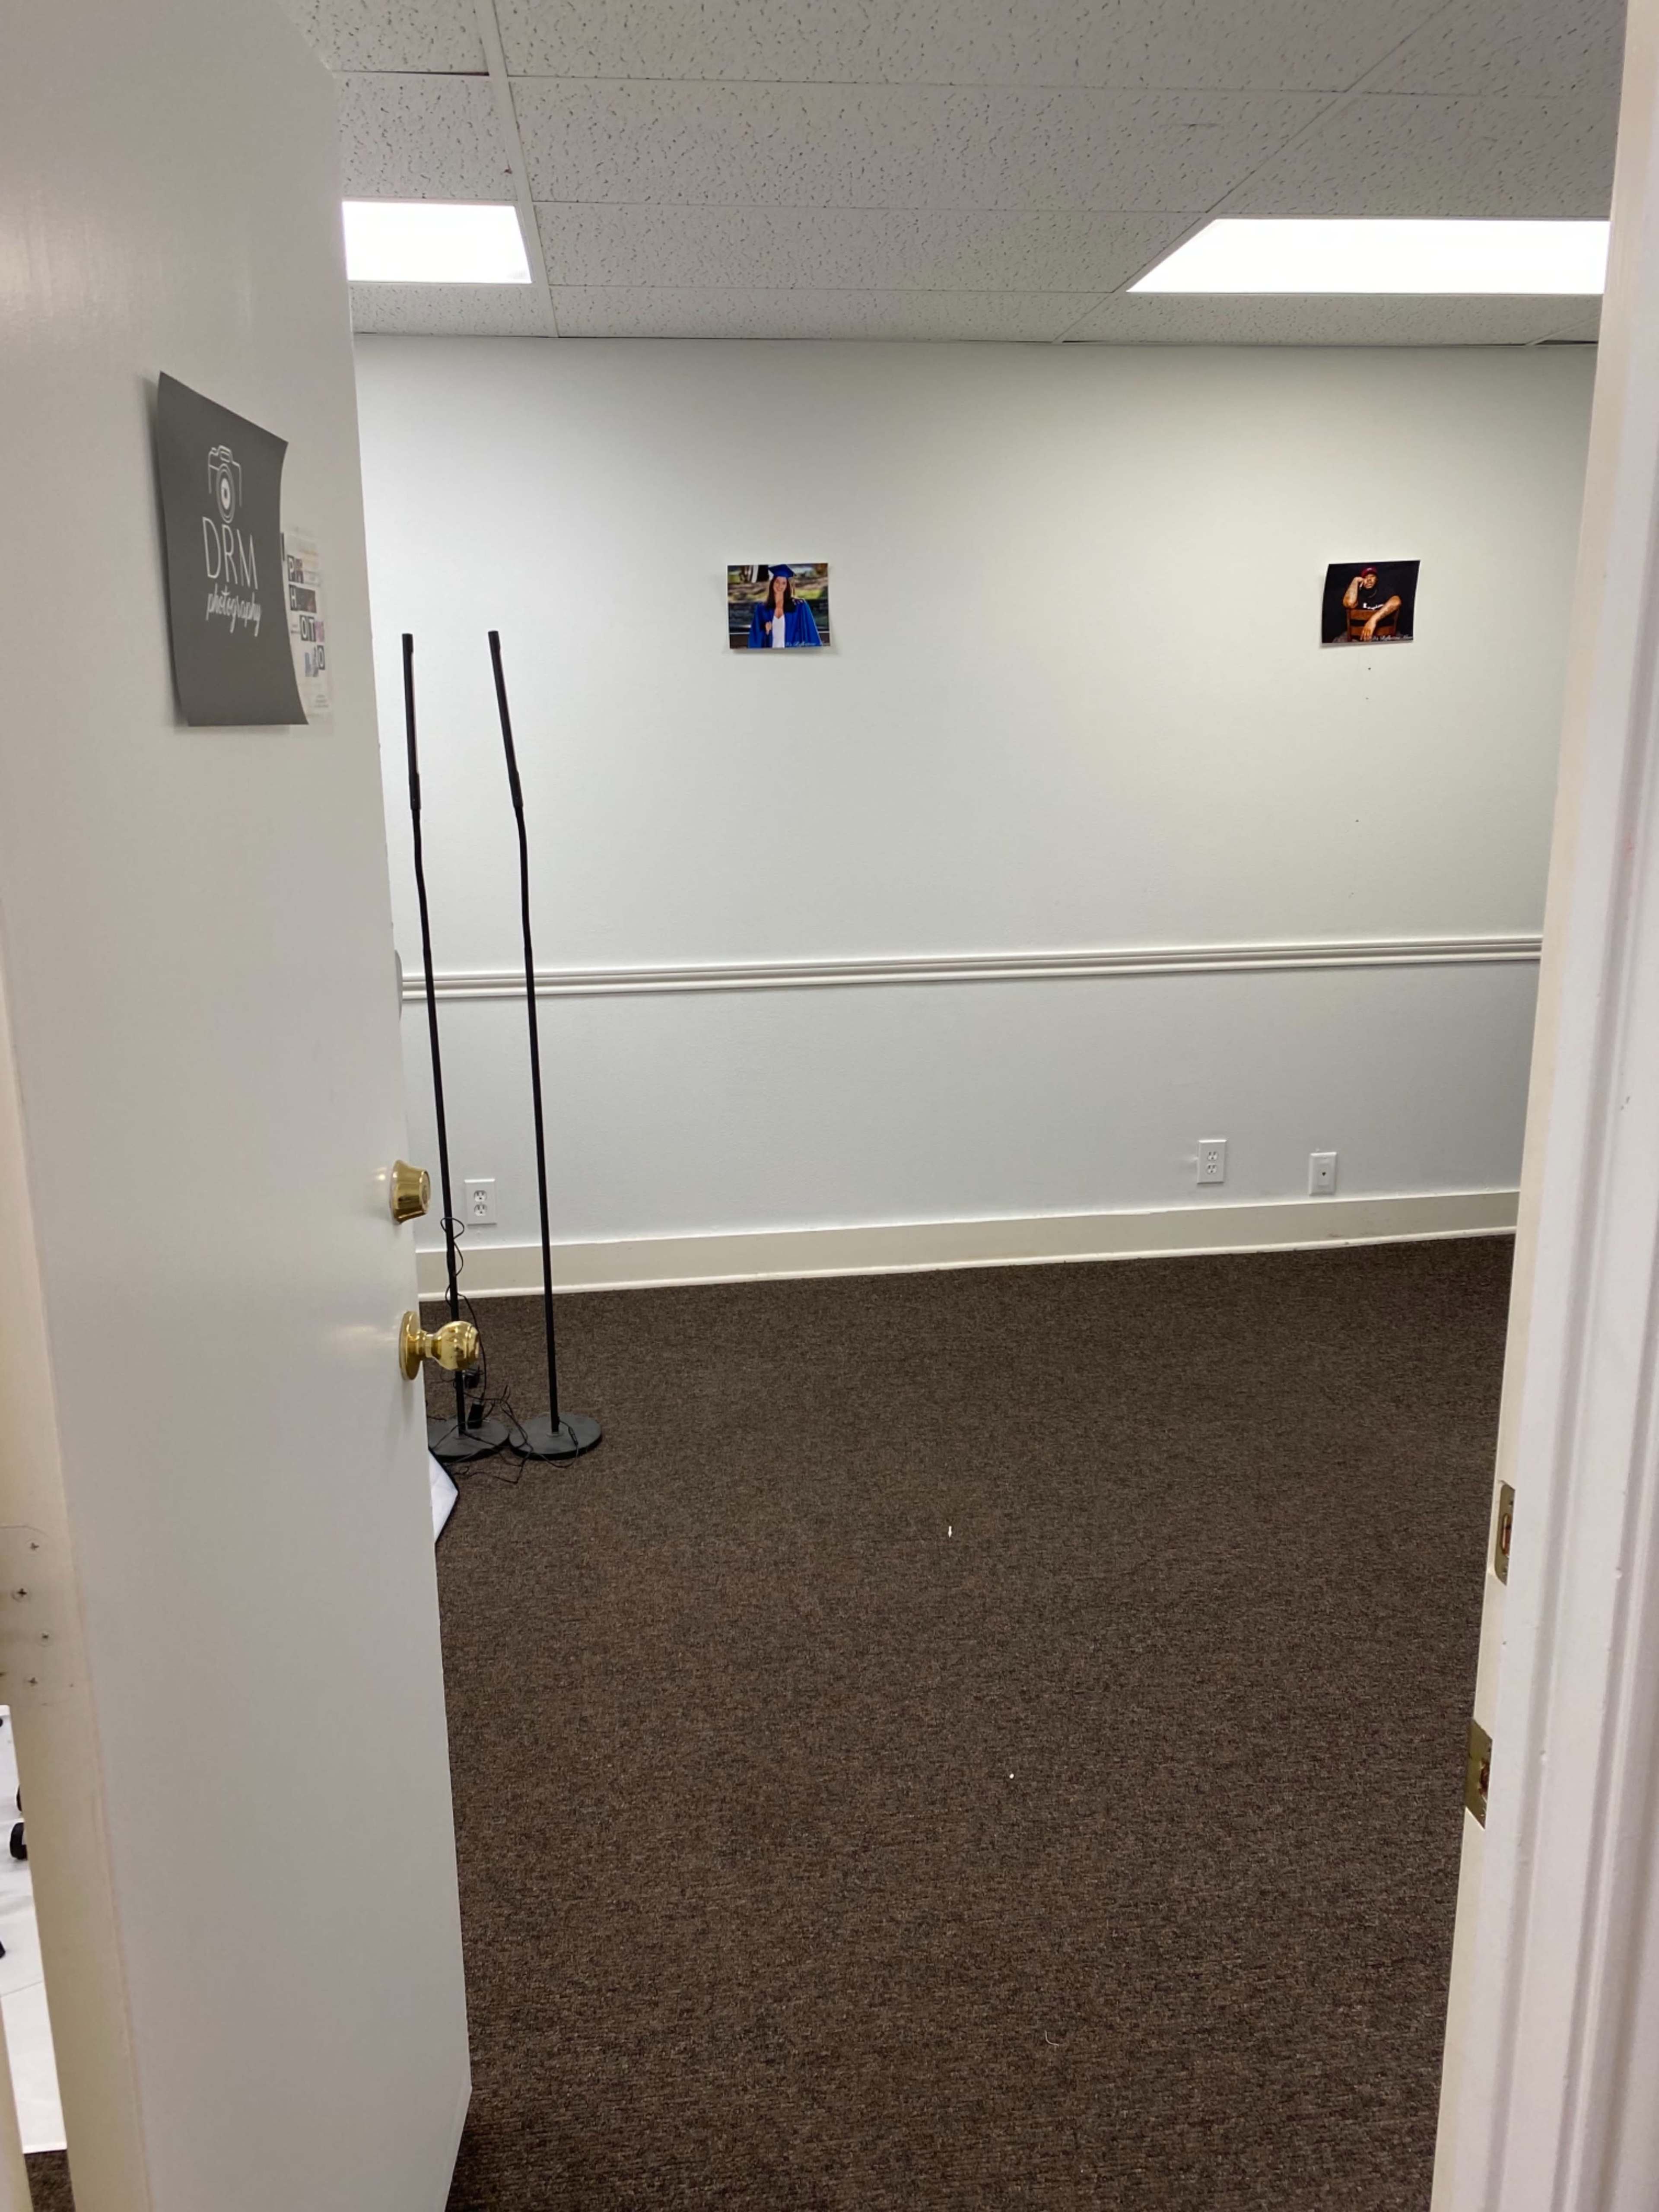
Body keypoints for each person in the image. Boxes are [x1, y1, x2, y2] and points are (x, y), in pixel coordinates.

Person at [747, 565, 821, 648]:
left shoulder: (799, 607)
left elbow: (810, 632)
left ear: (787, 586)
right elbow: (755, 637)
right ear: (772, 583)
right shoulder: (762, 609)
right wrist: (766, 631)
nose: (780, 586)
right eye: (777, 582)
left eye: (784, 583)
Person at [1342, 565, 1402, 642]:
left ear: (1377, 579)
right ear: (1361, 580)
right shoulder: (1356, 592)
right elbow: (1349, 604)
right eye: (1365, 577)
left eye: (1372, 577)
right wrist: (1355, 581)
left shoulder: (1384, 590)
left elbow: (1397, 602)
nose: (1369, 580)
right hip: (1358, 639)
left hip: (1384, 639)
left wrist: (1373, 620)